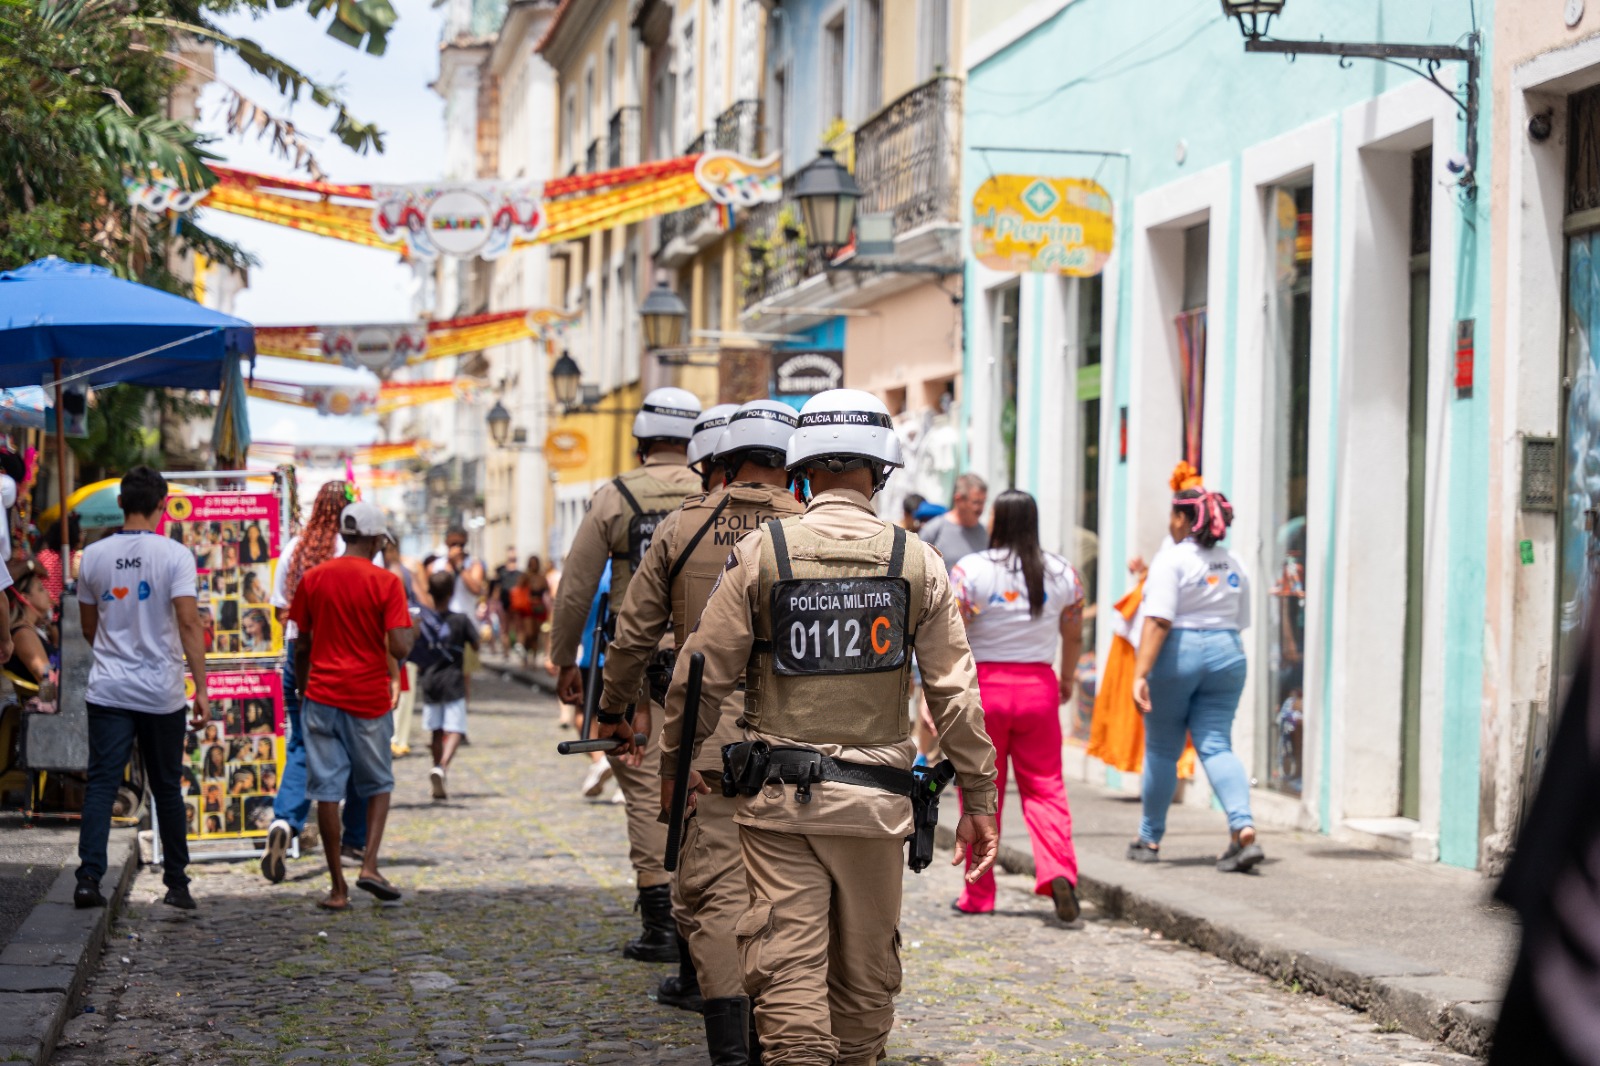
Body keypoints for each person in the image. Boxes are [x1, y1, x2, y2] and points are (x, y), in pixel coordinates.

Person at [614, 389, 1000, 1064]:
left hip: (780, 807)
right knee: (865, 976)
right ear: (880, 472)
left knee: (786, 970)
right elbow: (956, 696)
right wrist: (980, 798)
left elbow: (698, 673)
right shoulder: (917, 561)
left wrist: (676, 772)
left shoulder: (764, 555)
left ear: (804, 467)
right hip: (876, 808)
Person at [602, 399, 804, 1053]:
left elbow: (632, 632)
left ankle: (732, 1045)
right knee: (798, 896)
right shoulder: (812, 526)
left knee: (717, 895)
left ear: (717, 463)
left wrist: (614, 709)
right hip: (803, 744)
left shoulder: (683, 527)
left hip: (709, 737)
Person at [550, 386, 702, 961]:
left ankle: (662, 922)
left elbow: (577, 587)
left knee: (642, 786)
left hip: (637, 666)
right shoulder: (713, 494)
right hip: (714, 662)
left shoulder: (615, 498)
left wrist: (564, 658)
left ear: (640, 442)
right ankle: (702, 921)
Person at [947, 489, 1084, 919]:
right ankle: (1058, 870)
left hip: (984, 690)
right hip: (1038, 690)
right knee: (1045, 787)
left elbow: (953, 636)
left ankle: (978, 894)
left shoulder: (971, 571)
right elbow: (1074, 634)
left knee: (980, 792)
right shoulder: (1063, 573)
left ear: (997, 522)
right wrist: (1065, 679)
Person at [73, 466, 201, 911]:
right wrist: (200, 687)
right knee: (166, 786)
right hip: (161, 692)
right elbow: (188, 623)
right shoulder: (176, 556)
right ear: (162, 506)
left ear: (122, 503)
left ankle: (88, 878)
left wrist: (116, 652)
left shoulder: (92, 556)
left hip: (109, 689)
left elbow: (89, 629)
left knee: (103, 784)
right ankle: (177, 884)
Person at [287, 501, 415, 910]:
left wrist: (304, 689)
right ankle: (369, 866)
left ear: (344, 535)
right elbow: (397, 645)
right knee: (378, 784)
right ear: (377, 540)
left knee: (327, 791)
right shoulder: (387, 583)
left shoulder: (313, 578)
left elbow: (300, 644)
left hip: (321, 697)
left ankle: (338, 889)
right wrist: (409, 636)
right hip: (367, 698)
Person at [1130, 486, 1260, 872]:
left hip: (1177, 653)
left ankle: (1149, 839)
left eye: (1174, 515)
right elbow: (1241, 621)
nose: (1170, 523)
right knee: (1217, 744)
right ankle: (1243, 826)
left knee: (1162, 749)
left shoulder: (1172, 561)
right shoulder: (1234, 562)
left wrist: (1140, 674)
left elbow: (1158, 620)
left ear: (1185, 520)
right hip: (1228, 652)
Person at [261, 482, 369, 883]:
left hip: (296, 656)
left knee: (303, 743)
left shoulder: (294, 549)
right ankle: (354, 838)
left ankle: (285, 822)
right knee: (360, 743)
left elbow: (279, 614)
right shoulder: (348, 551)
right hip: (339, 659)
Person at [416, 569, 479, 801]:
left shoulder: (425, 620)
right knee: (456, 729)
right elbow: (476, 644)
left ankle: (436, 767)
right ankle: (442, 767)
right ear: (452, 592)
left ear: (430, 592)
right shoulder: (460, 620)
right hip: (453, 680)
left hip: (430, 679)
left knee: (436, 730)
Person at [917, 473, 989, 574]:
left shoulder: (985, 533)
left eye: (983, 502)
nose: (981, 509)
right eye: (976, 502)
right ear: (958, 500)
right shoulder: (934, 530)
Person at [512, 556, 549, 664]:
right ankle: (525, 657)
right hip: (527, 608)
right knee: (528, 633)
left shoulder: (541, 577)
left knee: (536, 634)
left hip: (539, 608)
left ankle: (533, 658)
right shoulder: (525, 576)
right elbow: (518, 589)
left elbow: (546, 591)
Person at [488, 548, 522, 656]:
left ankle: (515, 650)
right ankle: (507, 652)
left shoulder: (519, 573)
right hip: (505, 605)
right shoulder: (503, 573)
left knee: (516, 629)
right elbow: (497, 590)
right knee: (505, 629)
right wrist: (493, 604)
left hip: (516, 605)